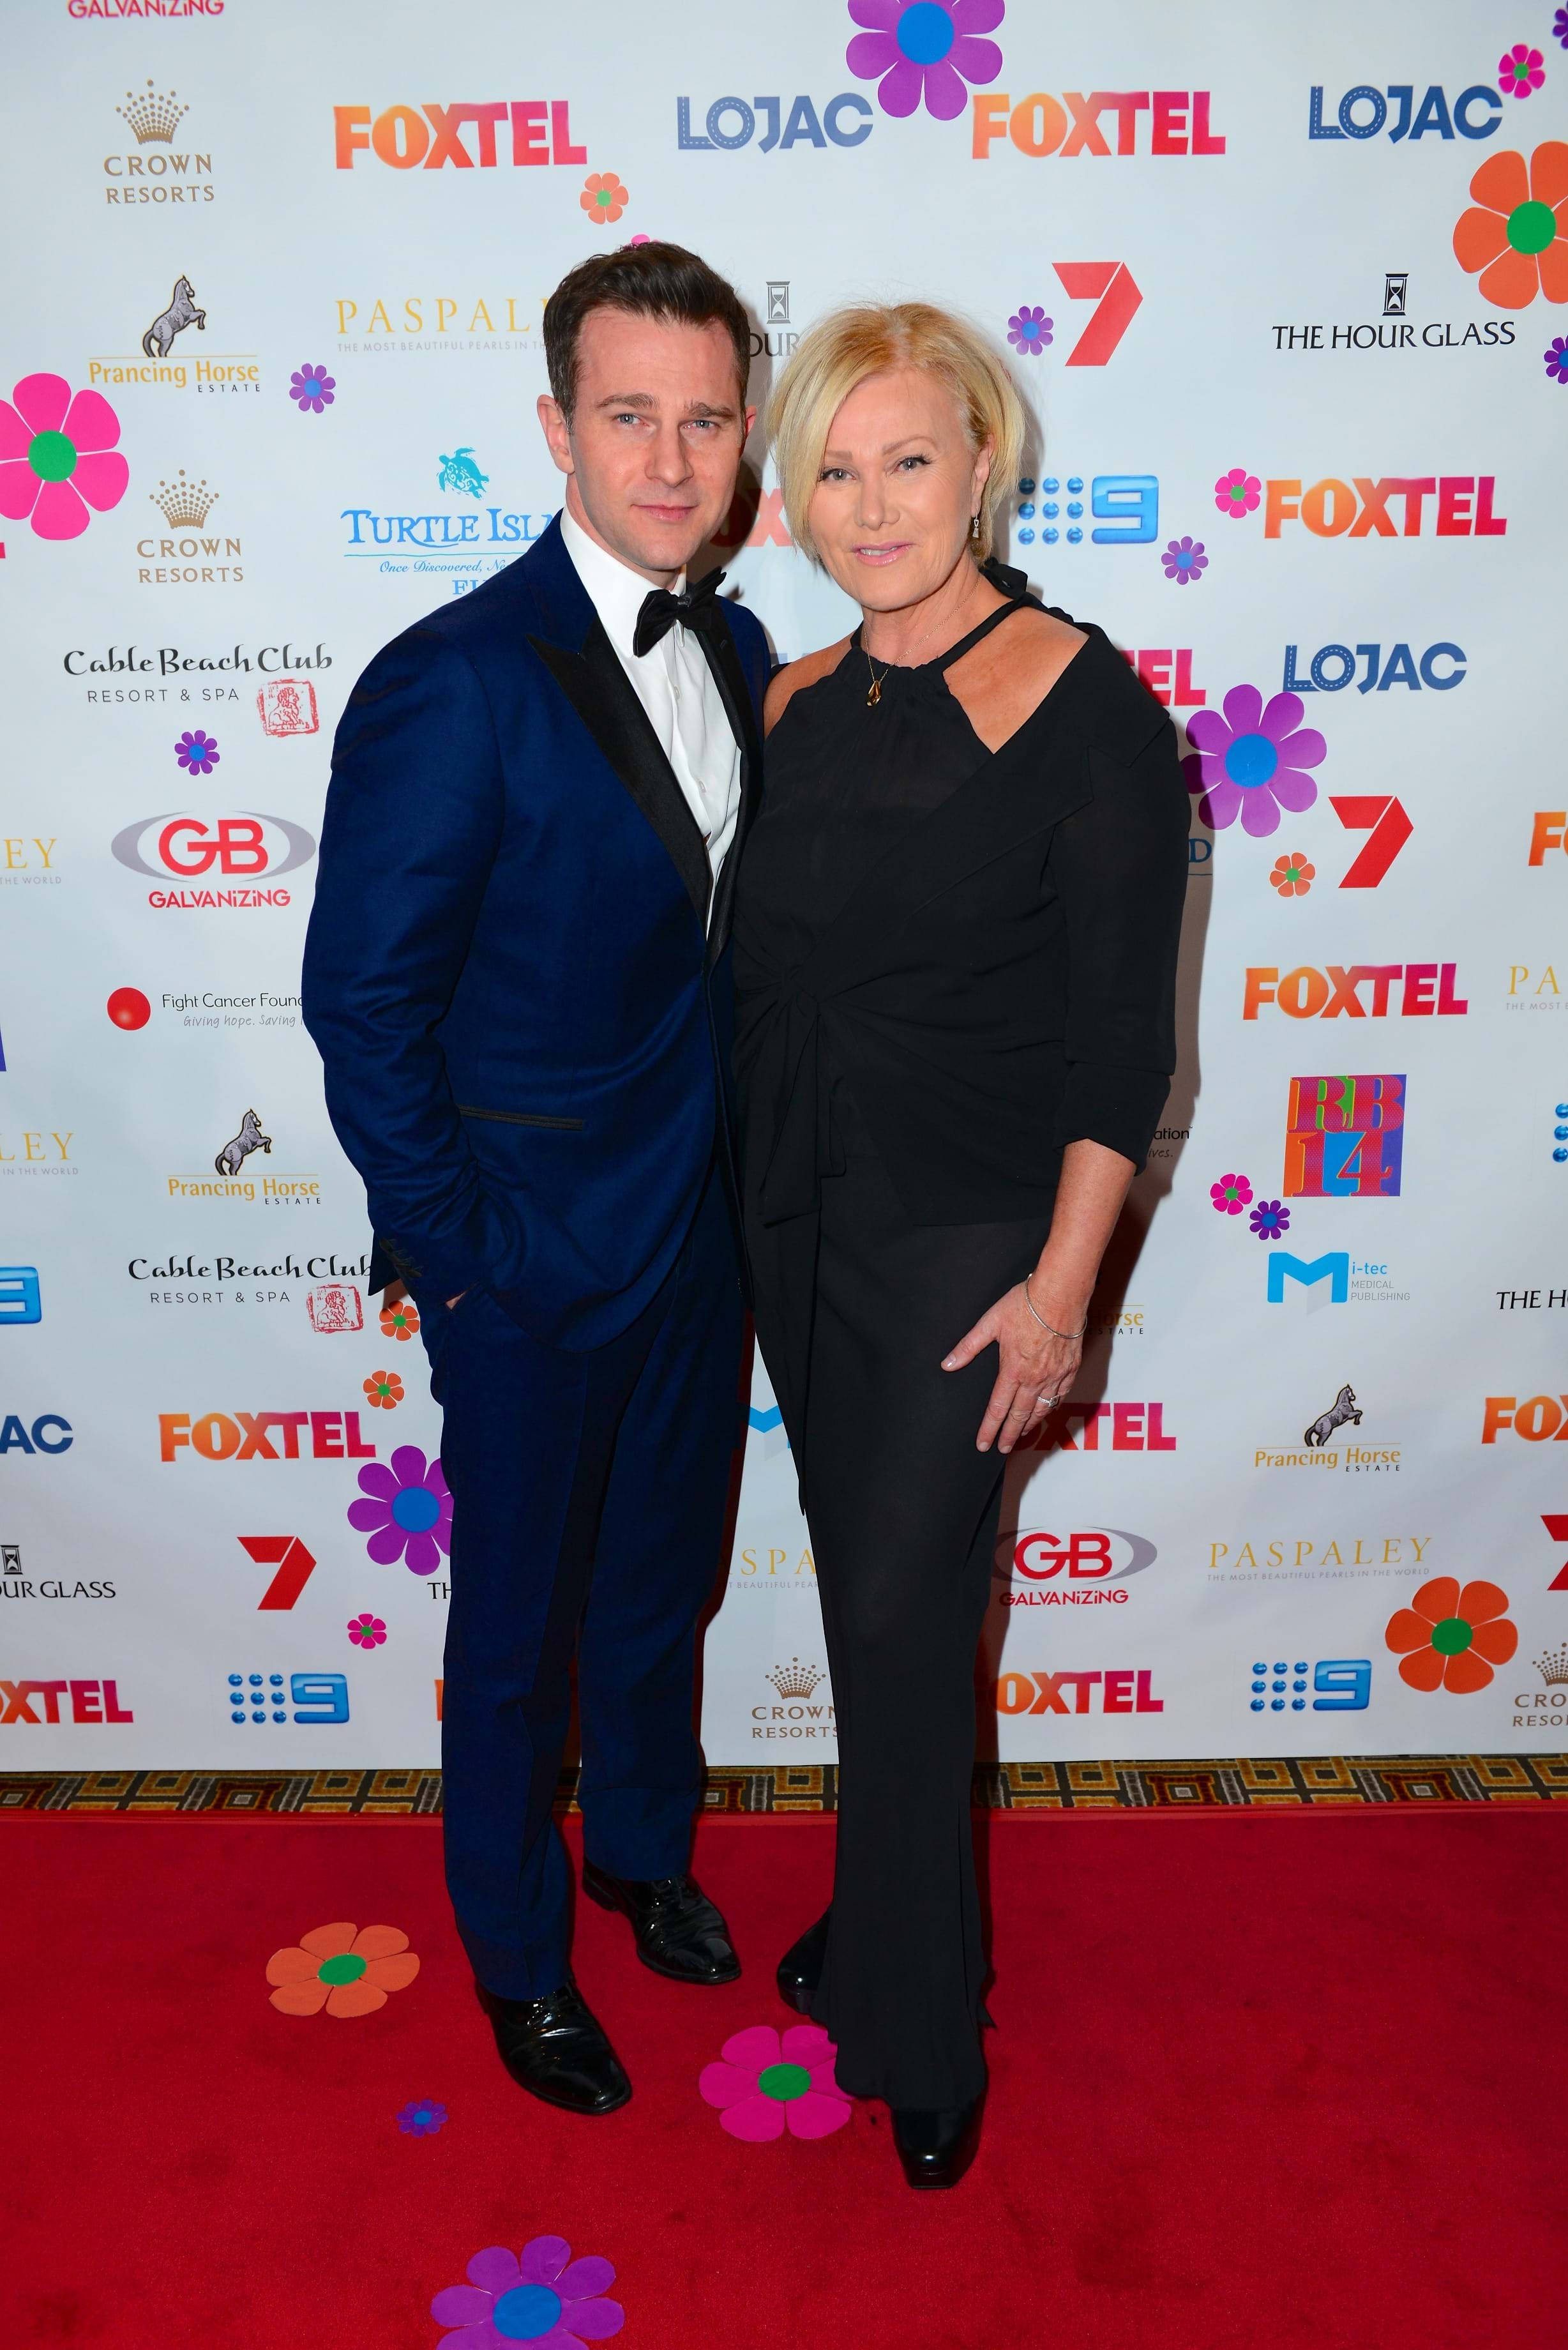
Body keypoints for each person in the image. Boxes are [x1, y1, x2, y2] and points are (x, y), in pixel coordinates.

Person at [302, 244, 769, 2118]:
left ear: (745, 435)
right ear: (558, 429)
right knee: (512, 1637)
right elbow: (365, 1012)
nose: (671, 457)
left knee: (662, 1585)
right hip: (524, 1259)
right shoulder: (455, 682)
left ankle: (638, 1851)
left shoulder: (737, 646)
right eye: (631, 416)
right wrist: (461, 1256)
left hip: (699, 1230)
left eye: (707, 418)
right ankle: (514, 1953)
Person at [732, 304, 1187, 2187]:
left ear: (984, 463)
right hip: (793, 1216)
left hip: (968, 1244)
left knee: (913, 1616)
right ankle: (886, 1899)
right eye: (833, 467)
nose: (869, 502)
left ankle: (918, 2028)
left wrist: (1062, 1296)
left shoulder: (1092, 707)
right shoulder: (791, 699)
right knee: (872, 1607)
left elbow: (1121, 1049)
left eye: (906, 458)